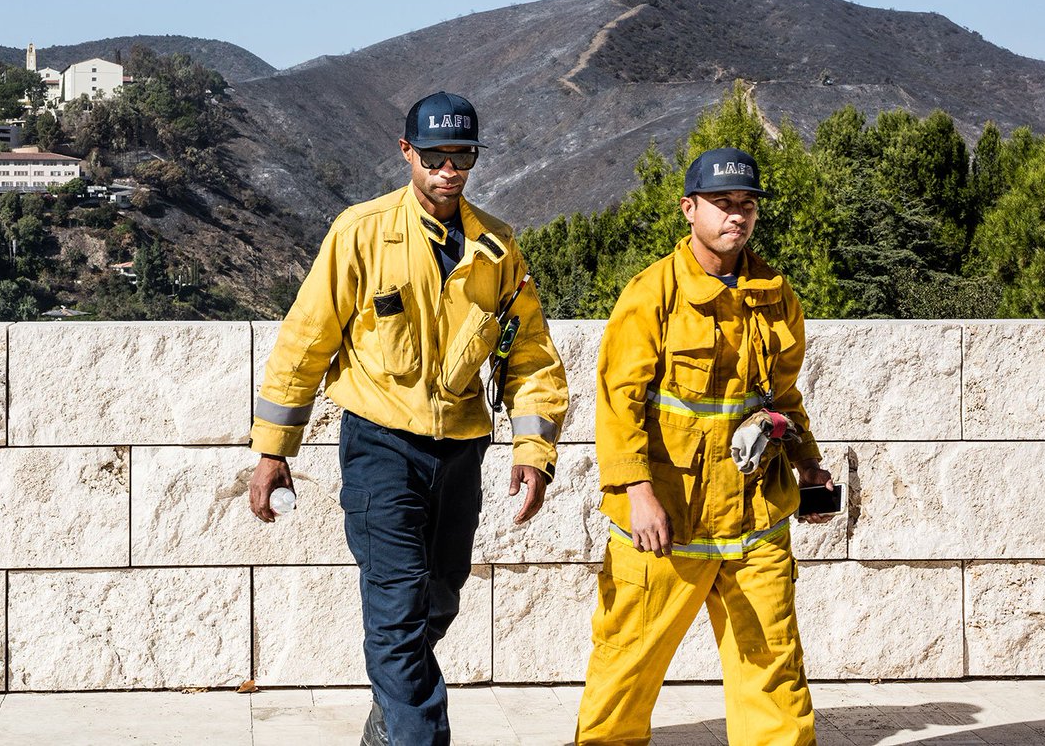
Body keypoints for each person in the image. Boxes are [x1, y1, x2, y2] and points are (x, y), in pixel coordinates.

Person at [247, 91, 569, 746]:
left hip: (461, 451)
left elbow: (529, 356)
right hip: (380, 446)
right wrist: (274, 448)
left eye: (462, 155)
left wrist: (533, 449)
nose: (448, 168)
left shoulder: (497, 246)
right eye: (435, 155)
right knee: (397, 617)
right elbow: (305, 341)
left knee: (439, 601)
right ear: (407, 153)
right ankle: (416, 732)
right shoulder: (360, 233)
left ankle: (390, 723)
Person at [575, 146, 834, 746]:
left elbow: (784, 397)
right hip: (667, 522)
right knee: (627, 667)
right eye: (721, 204)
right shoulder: (651, 295)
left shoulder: (776, 295)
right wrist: (637, 494)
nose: (736, 216)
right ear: (689, 209)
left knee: (774, 673)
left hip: (754, 519)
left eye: (746, 205)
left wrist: (810, 466)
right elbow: (619, 404)